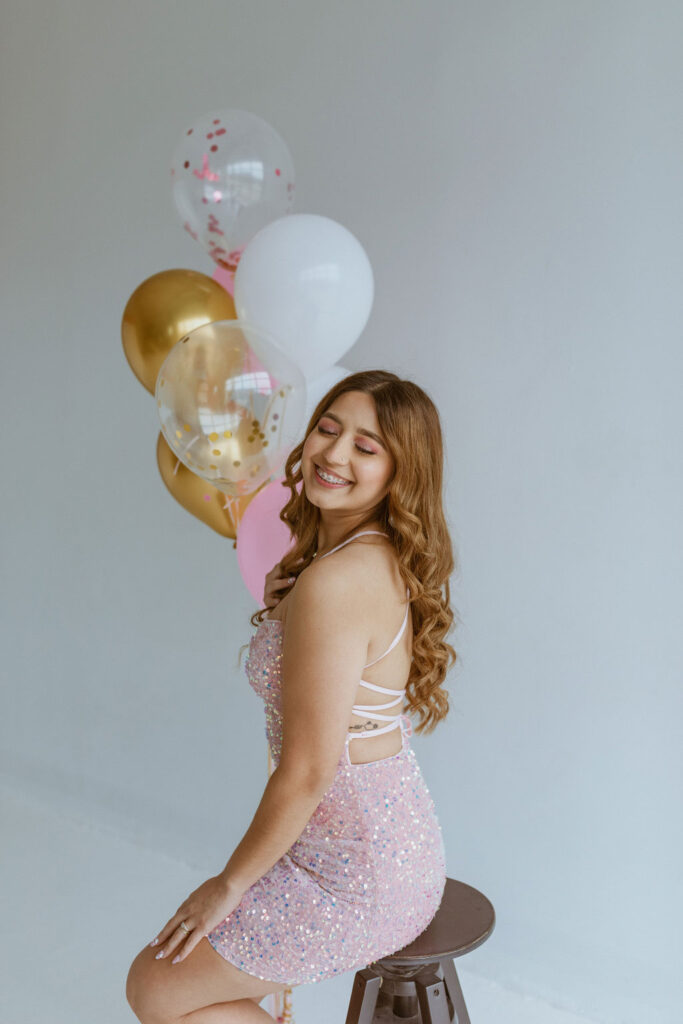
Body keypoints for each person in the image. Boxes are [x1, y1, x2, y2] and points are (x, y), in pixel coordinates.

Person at [126, 369, 458, 1023]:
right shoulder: (360, 558)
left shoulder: (336, 582)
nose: (333, 454)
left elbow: (307, 771)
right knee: (162, 981)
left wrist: (227, 886)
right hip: (371, 846)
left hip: (360, 872)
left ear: (400, 471)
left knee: (156, 990)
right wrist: (288, 610)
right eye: (327, 429)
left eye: (366, 447)